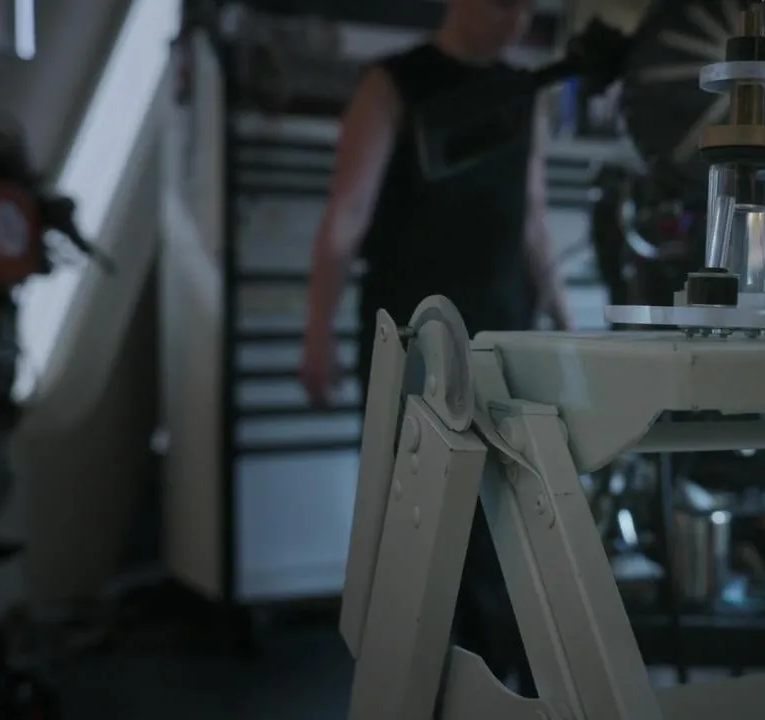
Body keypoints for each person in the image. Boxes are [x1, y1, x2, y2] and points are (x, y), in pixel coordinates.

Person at [298, 0, 571, 695]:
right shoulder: (391, 85)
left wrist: (567, 323)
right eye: (505, 3)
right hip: (414, 340)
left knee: (504, 521)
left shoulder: (526, 94)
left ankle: (499, 690)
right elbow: (347, 214)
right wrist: (317, 332)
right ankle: (416, 689)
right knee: (416, 523)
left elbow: (533, 220)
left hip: (504, 333)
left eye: (527, 6)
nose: (518, 19)